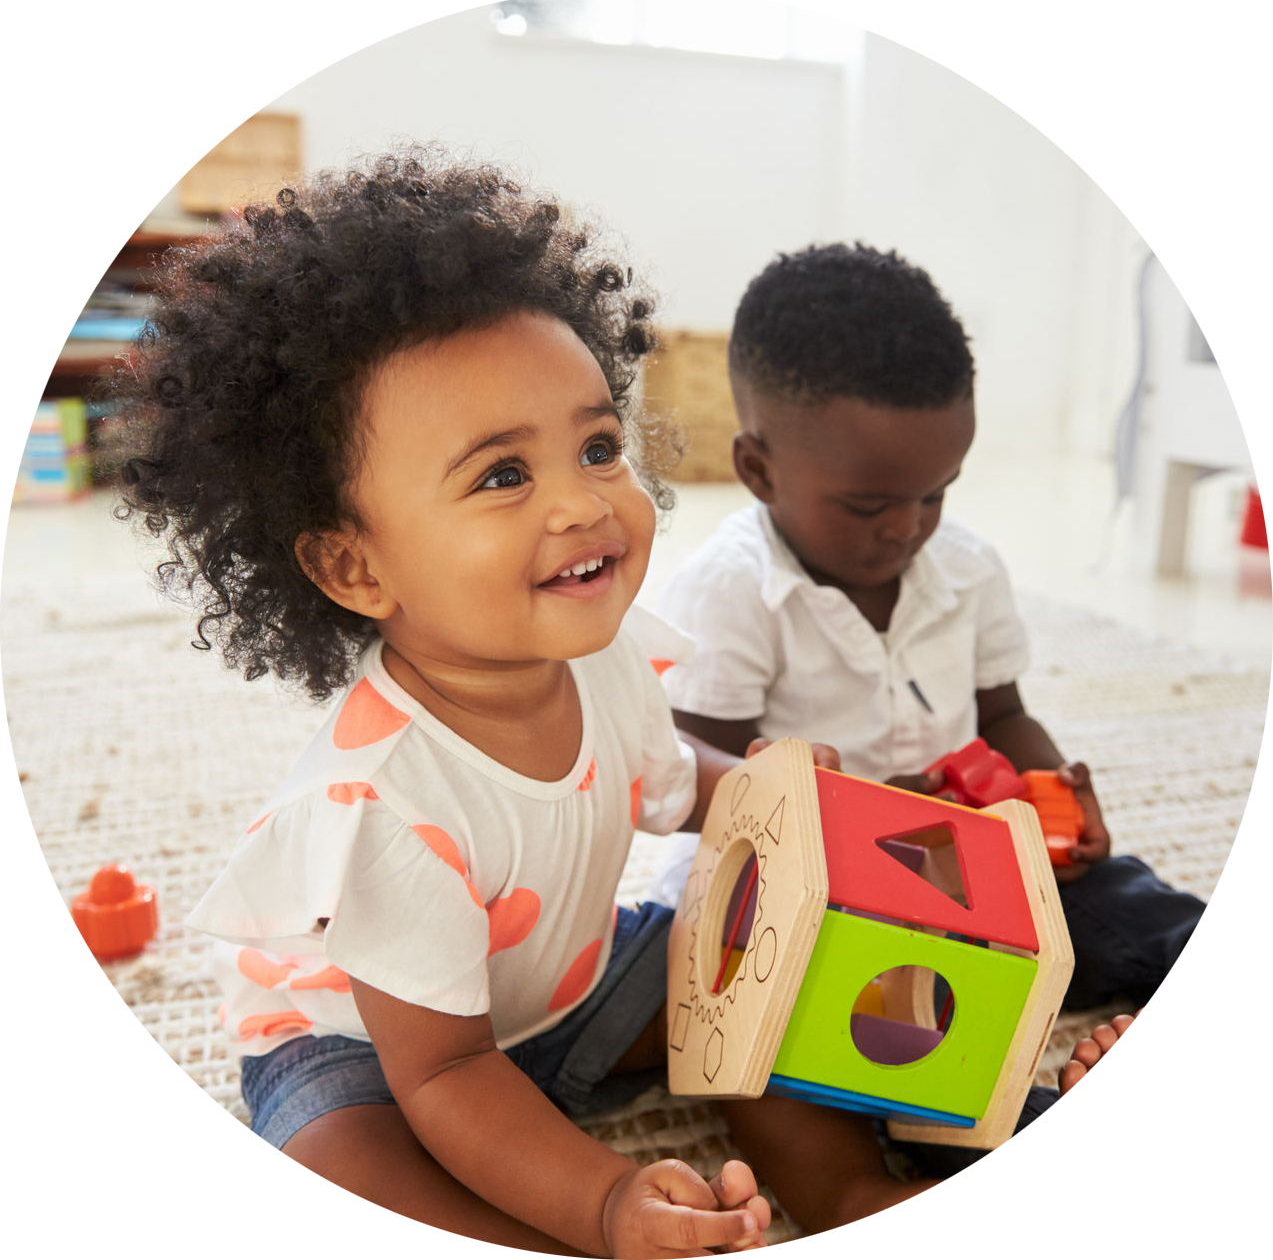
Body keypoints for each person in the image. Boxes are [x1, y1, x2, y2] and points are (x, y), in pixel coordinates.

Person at [115, 153, 1026, 1251]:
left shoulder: (601, 658)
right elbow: (448, 1068)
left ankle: (840, 1196)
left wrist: (776, 801)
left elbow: (676, 778)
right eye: (503, 476)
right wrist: (603, 1200)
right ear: (355, 569)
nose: (584, 503)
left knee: (752, 963)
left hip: (573, 992)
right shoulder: (384, 813)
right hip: (378, 1052)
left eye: (597, 447)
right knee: (335, 1166)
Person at [653, 241, 1203, 1176]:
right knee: (855, 1041)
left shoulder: (967, 570)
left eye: (935, 494)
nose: (906, 526)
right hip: (803, 901)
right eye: (868, 504)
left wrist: (1051, 790)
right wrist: (872, 815)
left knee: (1137, 904)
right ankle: (1020, 1129)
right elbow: (697, 786)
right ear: (757, 468)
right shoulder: (728, 593)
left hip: (969, 868)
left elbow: (1005, 712)